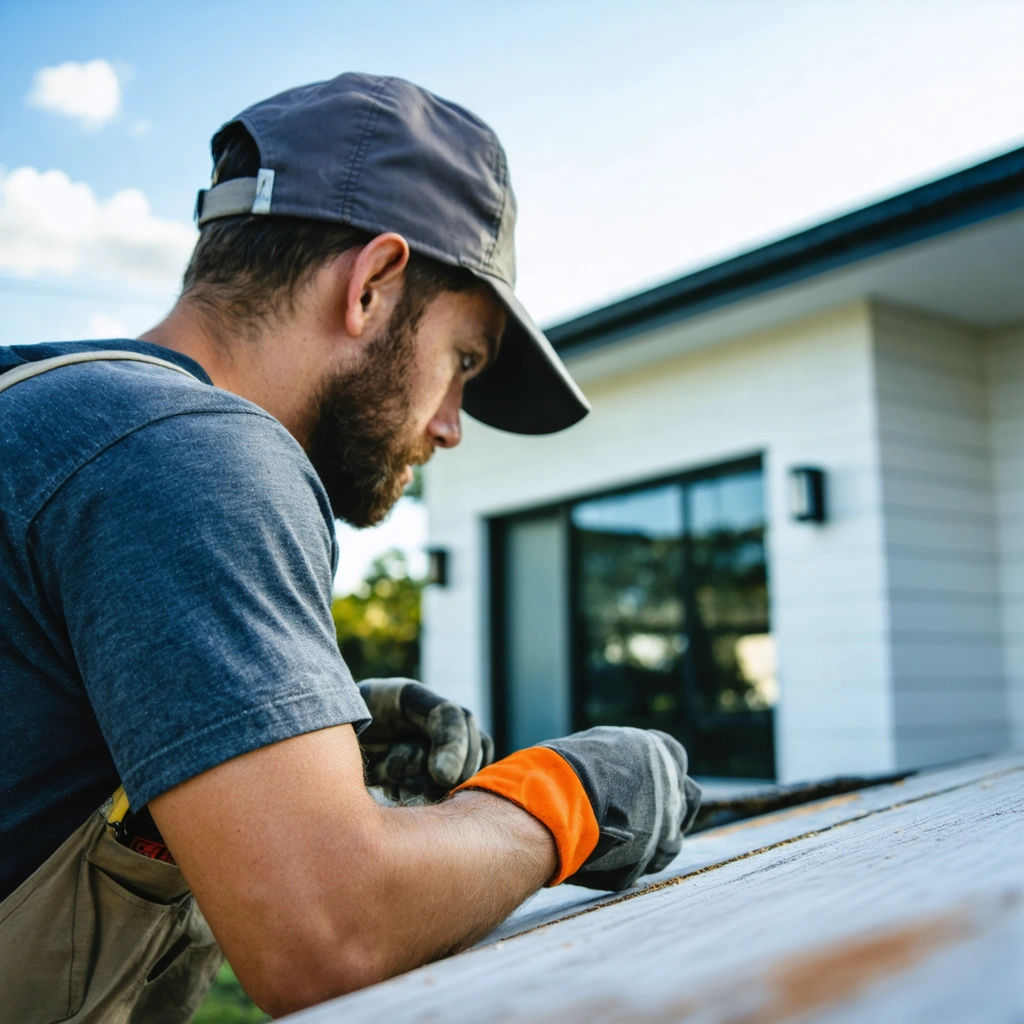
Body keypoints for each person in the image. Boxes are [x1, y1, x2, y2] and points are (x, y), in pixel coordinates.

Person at [0, 73, 701, 1021]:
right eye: (464, 361)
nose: (452, 426)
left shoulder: (52, 413)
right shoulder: (192, 453)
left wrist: (283, 743)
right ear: (371, 285)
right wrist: (569, 797)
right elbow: (328, 935)